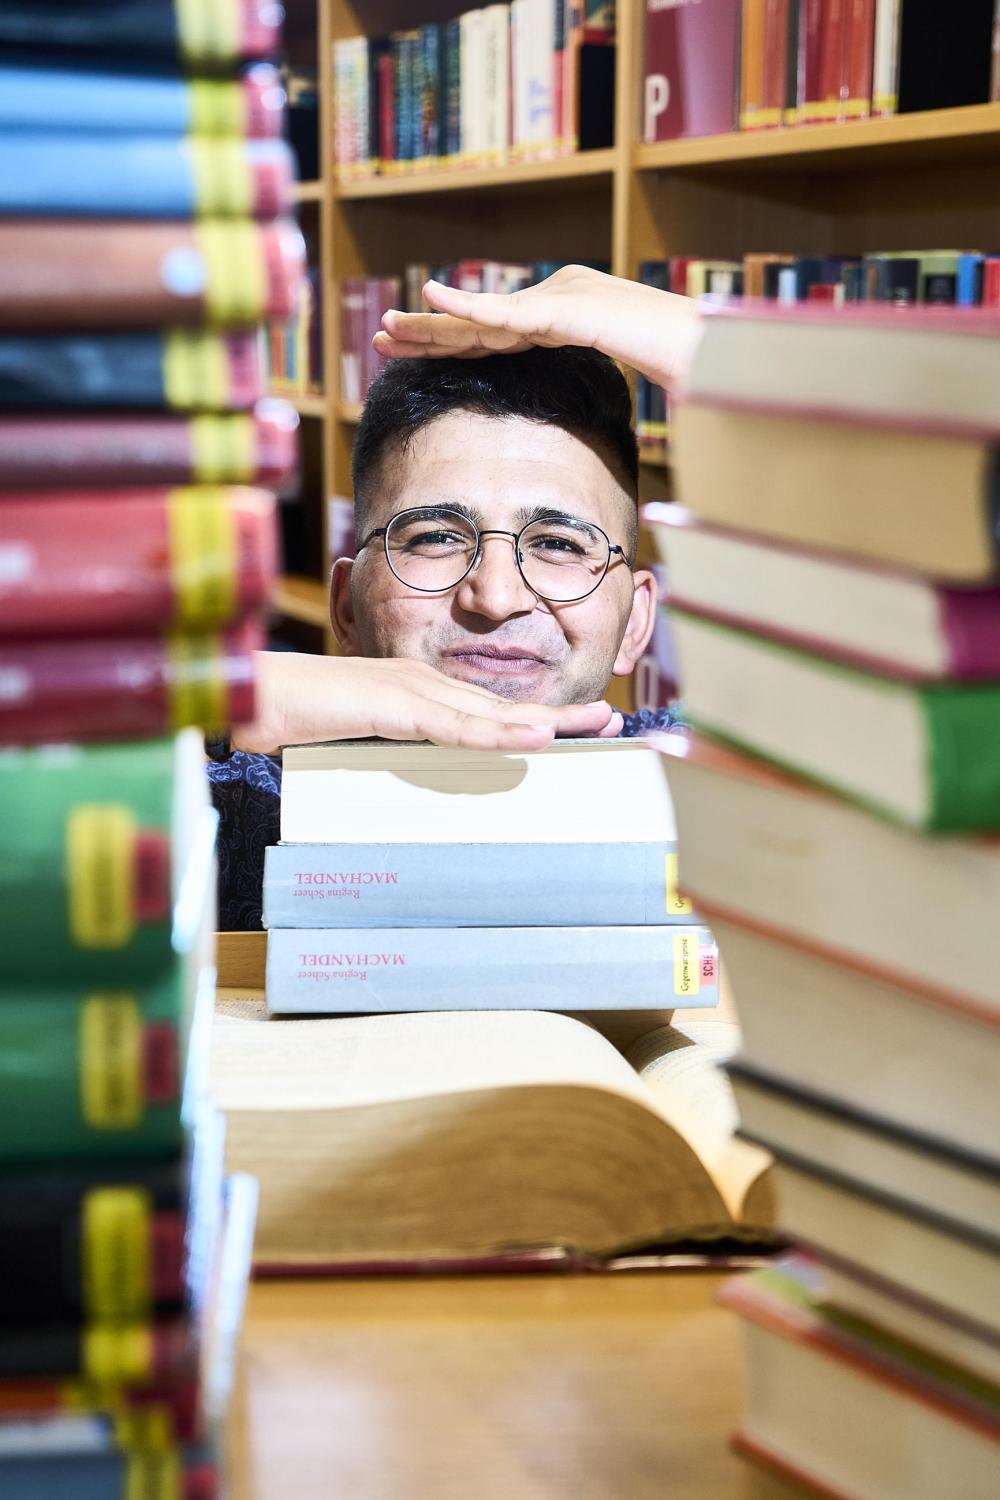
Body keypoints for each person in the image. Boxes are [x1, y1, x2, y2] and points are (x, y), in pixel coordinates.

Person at [211, 266, 696, 928]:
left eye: (558, 544)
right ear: (346, 608)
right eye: (436, 537)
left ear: (637, 621)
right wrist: (213, 699)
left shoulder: (704, 789)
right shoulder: (233, 803)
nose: (495, 597)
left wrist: (707, 345)